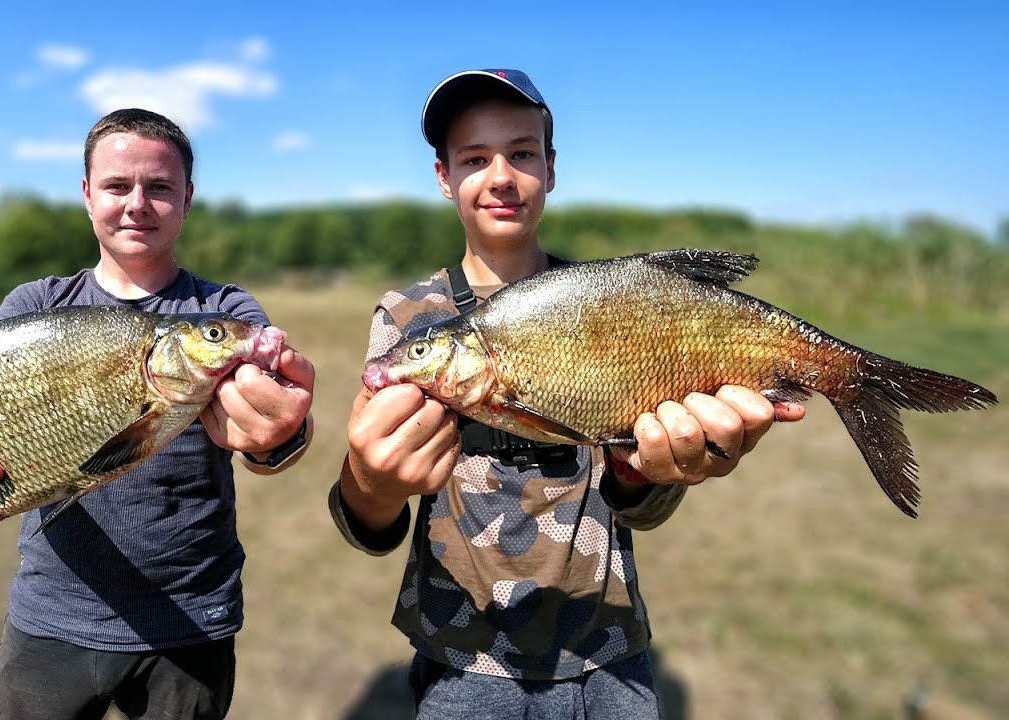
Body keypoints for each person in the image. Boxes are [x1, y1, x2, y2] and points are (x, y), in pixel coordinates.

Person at [330, 69, 805, 719]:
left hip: (605, 646)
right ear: (444, 178)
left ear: (550, 170)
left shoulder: (609, 300)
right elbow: (370, 524)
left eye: (522, 153)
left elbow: (641, 506)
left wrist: (651, 471)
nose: (500, 176)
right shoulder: (408, 316)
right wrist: (372, 480)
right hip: (462, 651)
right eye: (474, 158)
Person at [0, 108, 315, 720]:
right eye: (117, 186)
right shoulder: (35, 306)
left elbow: (267, 439)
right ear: (88, 196)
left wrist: (278, 437)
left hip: (189, 617)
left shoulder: (224, 310)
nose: (138, 203)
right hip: (52, 612)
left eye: (160, 187)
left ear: (188, 199)